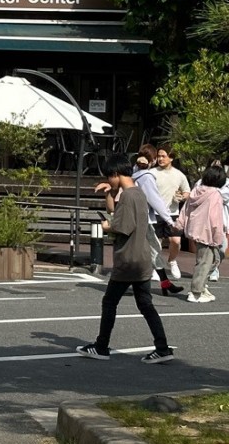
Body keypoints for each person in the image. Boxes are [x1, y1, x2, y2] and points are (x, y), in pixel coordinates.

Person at [77, 157, 175, 363]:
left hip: (128, 259)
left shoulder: (129, 197)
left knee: (110, 302)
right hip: (142, 258)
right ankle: (162, 348)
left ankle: (101, 346)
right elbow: (115, 212)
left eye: (109, 177)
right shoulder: (137, 192)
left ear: (115, 174)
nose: (108, 181)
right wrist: (111, 194)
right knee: (145, 304)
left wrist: (106, 228)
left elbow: (122, 226)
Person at [134, 144, 183, 296]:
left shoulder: (135, 173)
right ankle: (162, 284)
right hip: (144, 219)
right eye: (157, 157)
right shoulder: (147, 177)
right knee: (154, 250)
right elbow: (155, 200)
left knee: (150, 251)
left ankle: (165, 283)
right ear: (153, 159)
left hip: (134, 217)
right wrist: (169, 220)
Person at [174, 165, 226, 304]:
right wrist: (217, 236)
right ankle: (196, 291)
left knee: (210, 259)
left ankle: (202, 287)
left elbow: (185, 209)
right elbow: (215, 218)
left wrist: (179, 224)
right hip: (208, 232)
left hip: (195, 230)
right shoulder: (215, 194)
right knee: (205, 262)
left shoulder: (196, 190)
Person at [153, 146, 191, 279]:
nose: (160, 159)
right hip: (155, 212)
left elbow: (187, 191)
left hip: (173, 213)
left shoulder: (179, 175)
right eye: (159, 156)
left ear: (171, 158)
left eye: (163, 156)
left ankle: (172, 261)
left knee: (176, 241)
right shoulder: (152, 173)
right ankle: (155, 266)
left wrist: (182, 197)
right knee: (155, 242)